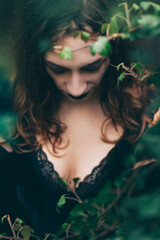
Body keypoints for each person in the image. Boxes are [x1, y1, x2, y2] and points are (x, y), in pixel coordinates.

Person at [0, 0, 158, 237]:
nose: (76, 88)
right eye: (59, 69)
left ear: (114, 49)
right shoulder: (11, 114)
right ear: (35, 57)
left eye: (92, 67)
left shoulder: (150, 119)